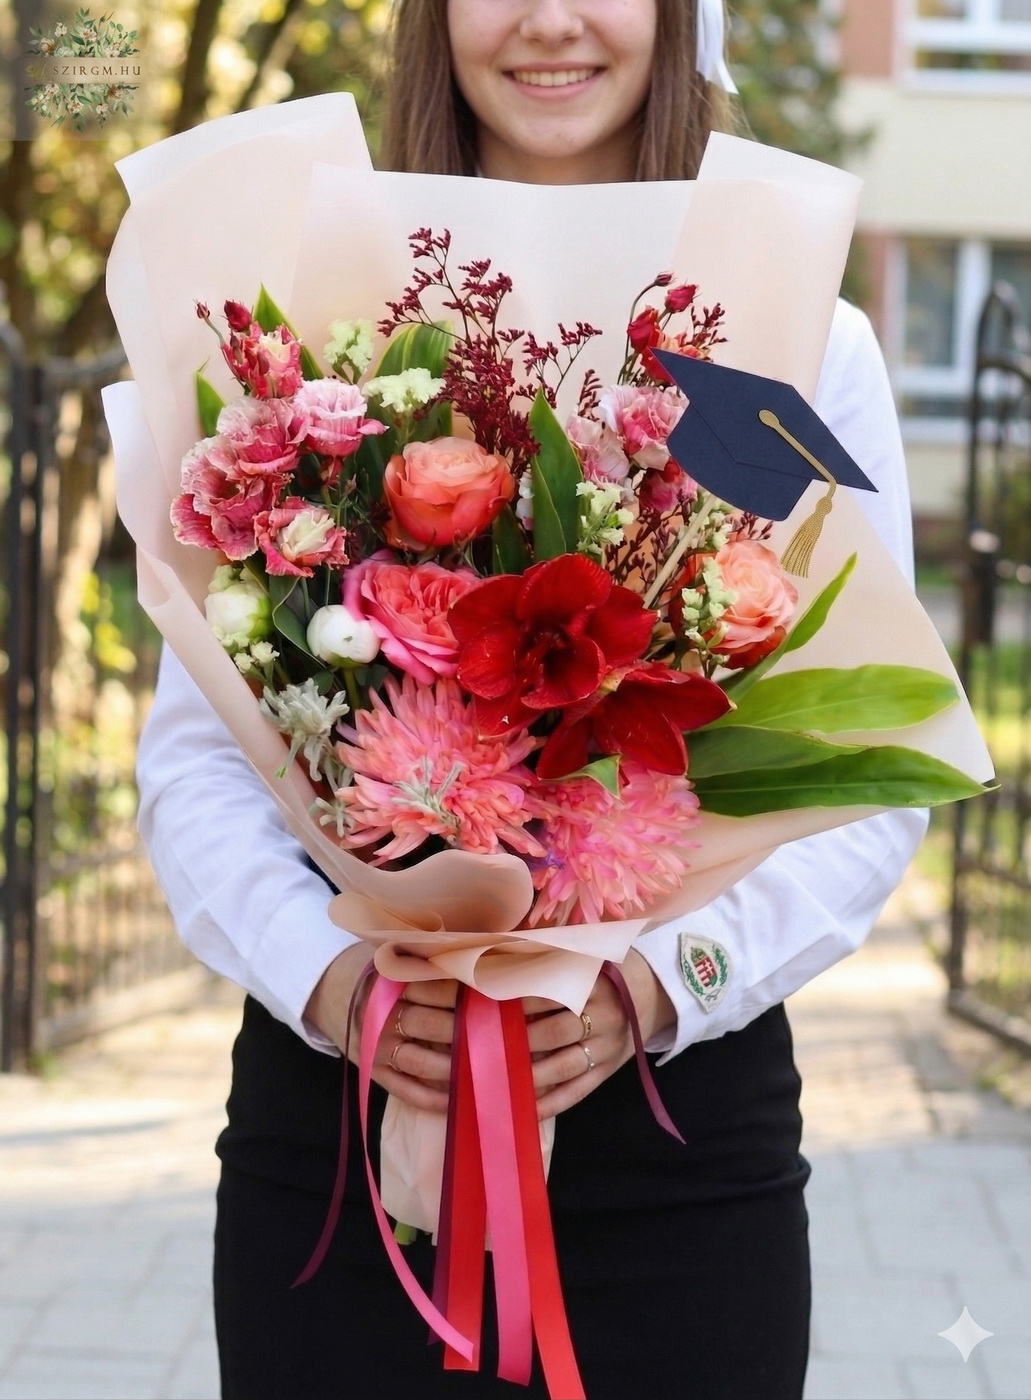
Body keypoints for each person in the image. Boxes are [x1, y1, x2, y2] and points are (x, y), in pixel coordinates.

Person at [135, 2, 928, 1396]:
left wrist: (657, 989)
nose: (551, 20)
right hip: (343, 1145)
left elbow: (868, 766)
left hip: (680, 1153)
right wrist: (334, 985)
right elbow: (198, 758)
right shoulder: (313, 329)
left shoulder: (798, 339)